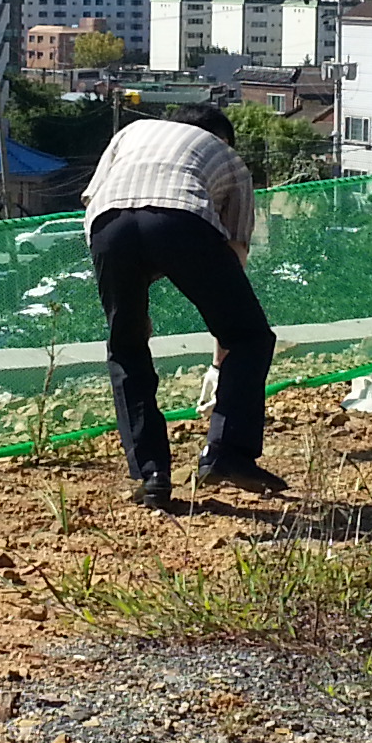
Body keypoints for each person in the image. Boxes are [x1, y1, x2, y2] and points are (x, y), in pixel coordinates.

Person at [83, 102, 286, 510]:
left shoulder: (132, 132)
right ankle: (227, 452)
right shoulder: (230, 161)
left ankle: (151, 476)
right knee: (250, 336)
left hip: (107, 225)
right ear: (221, 139)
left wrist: (133, 301)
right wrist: (221, 355)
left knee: (127, 349)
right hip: (181, 220)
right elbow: (234, 256)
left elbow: (95, 197)